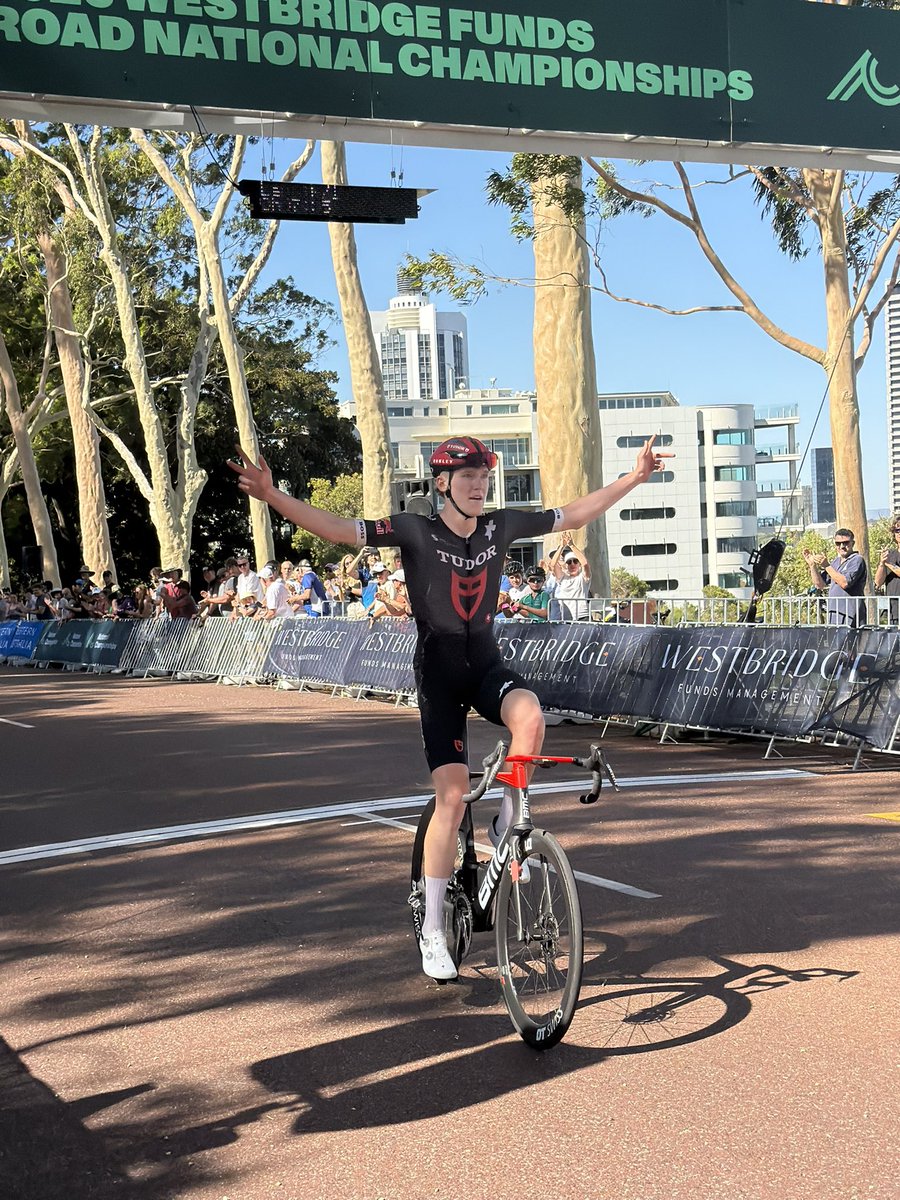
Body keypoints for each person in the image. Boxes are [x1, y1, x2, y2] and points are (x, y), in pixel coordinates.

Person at [229, 432, 669, 981]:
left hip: (484, 664)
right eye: (468, 478)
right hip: (438, 673)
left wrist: (635, 478)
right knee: (453, 796)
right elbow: (343, 531)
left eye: (484, 477)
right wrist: (274, 497)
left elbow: (573, 513)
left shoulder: (500, 526)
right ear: (443, 483)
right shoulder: (416, 530)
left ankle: (509, 821)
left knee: (529, 714)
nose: (480, 485)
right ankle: (434, 927)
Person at [803, 529, 867, 627]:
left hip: (852, 616)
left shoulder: (857, 560)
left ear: (852, 543)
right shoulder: (835, 562)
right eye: (838, 543)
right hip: (835, 613)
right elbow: (819, 584)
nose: (842, 546)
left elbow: (844, 583)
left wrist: (827, 566)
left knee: (852, 642)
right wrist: (812, 565)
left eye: (845, 543)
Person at [551, 536, 592, 620]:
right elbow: (553, 565)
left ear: (579, 564)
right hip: (566, 618)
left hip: (583, 617)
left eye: (575, 561)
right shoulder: (562, 578)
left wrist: (571, 545)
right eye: (569, 562)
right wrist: (561, 546)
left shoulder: (582, 578)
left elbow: (585, 563)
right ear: (566, 565)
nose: (572, 564)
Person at [874, 518, 900, 624]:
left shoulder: (890, 560)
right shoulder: (891, 554)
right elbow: (878, 582)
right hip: (893, 610)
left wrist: (889, 564)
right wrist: (882, 563)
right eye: (897, 530)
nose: (899, 533)